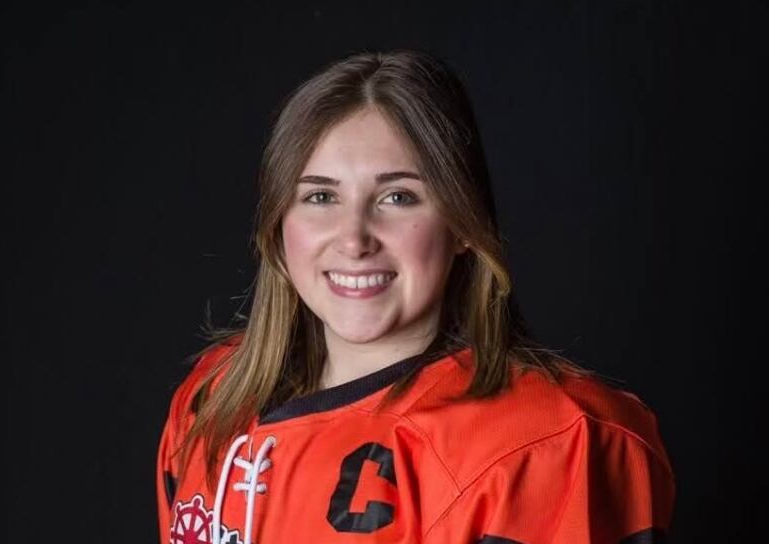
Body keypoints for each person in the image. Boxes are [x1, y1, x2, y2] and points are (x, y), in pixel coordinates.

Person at [156, 49, 676, 544]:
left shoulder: (552, 441)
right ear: (277, 226)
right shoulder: (211, 397)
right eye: (320, 196)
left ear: (463, 223)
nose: (354, 239)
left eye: (397, 197)